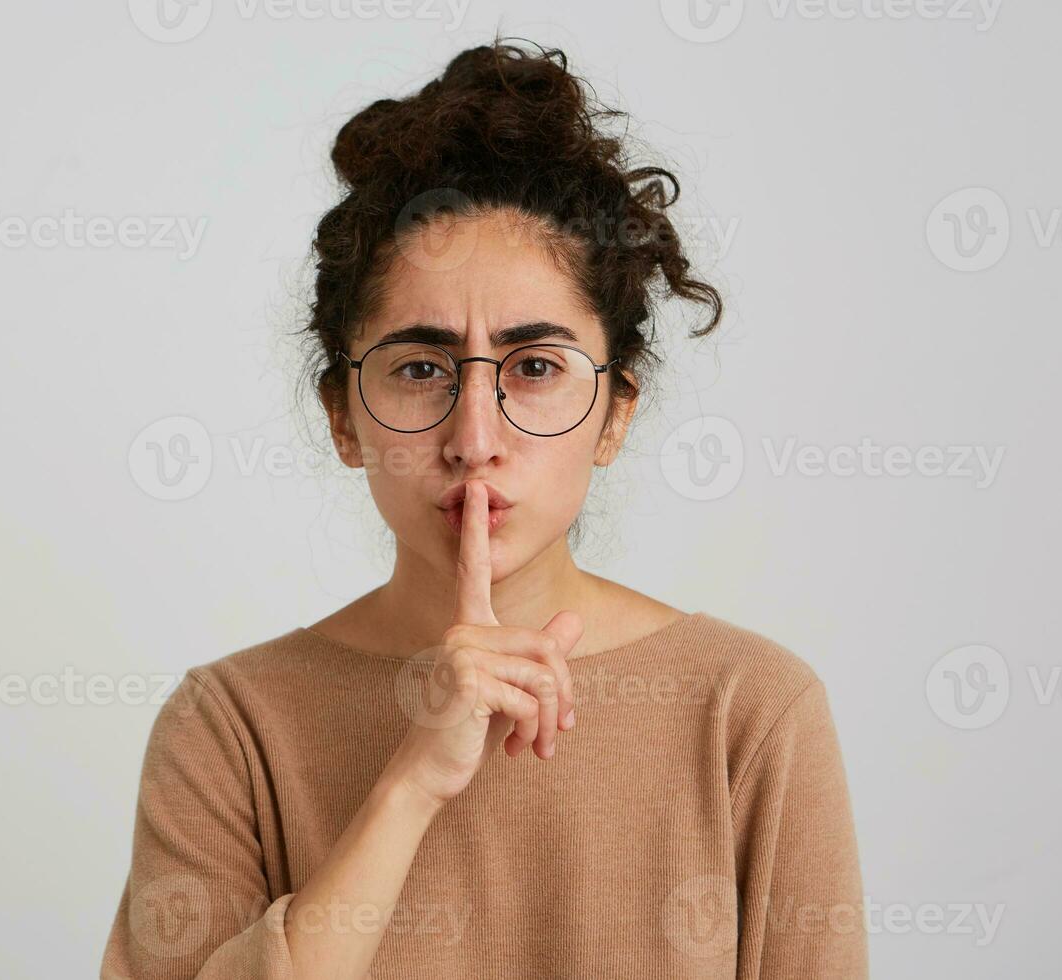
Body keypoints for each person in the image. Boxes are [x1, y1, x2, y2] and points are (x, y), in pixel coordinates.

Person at [100, 38, 866, 980]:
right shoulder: (229, 727)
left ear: (616, 411)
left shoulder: (750, 709)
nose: (474, 436)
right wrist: (413, 779)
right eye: (420, 369)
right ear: (343, 416)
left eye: (534, 368)